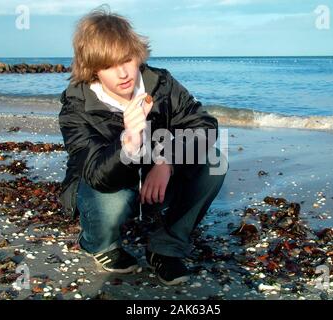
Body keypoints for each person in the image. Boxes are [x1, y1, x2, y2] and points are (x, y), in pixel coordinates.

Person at [58, 8, 228, 286]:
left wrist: (167, 161)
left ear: (138, 54)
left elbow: (204, 125)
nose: (124, 73)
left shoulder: (161, 84)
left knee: (215, 162)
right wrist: (128, 143)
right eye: (110, 65)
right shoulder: (76, 107)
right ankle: (101, 244)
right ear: (93, 69)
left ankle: (165, 248)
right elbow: (95, 173)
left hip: (154, 181)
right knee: (113, 198)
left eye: (127, 59)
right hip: (102, 189)